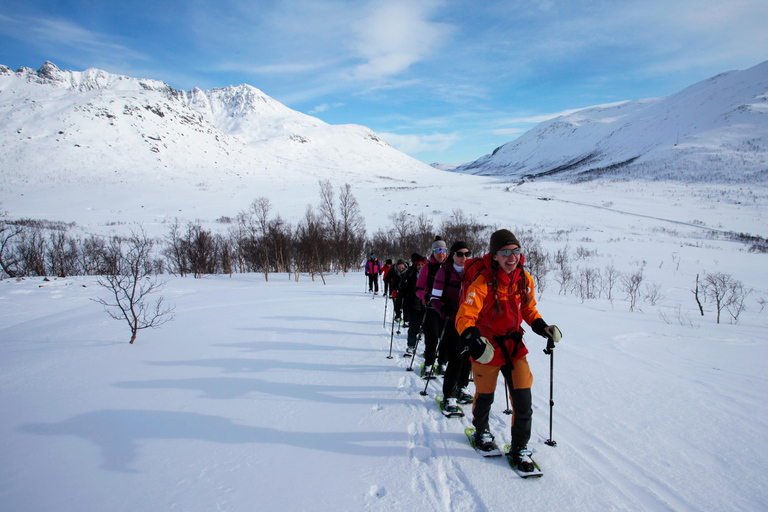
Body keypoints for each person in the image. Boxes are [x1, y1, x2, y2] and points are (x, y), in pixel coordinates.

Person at [456, 229, 562, 474]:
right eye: (505, 252)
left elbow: (529, 310)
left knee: (523, 401)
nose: (511, 257)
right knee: (485, 396)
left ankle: (520, 448)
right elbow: (465, 315)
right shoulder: (482, 281)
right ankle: (482, 432)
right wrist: (472, 338)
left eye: (515, 251)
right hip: (488, 349)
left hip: (514, 348)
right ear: (494, 256)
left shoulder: (524, 279)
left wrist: (542, 327)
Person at [430, 241, 474, 412]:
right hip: (450, 321)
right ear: (453, 255)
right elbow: (434, 299)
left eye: (467, 254)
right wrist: (443, 309)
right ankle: (449, 395)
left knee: (468, 357)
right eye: (460, 254)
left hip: (470, 322)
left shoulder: (473, 272)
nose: (464, 257)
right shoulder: (444, 273)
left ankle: (462, 388)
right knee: (456, 358)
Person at [416, 237, 449, 376]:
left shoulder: (451, 266)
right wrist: (426, 296)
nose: (441, 253)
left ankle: (442, 363)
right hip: (431, 308)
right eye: (437, 250)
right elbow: (418, 289)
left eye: (443, 250)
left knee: (446, 337)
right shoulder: (427, 268)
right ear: (433, 252)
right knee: (433, 337)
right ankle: (429, 365)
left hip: (447, 308)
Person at [399, 253, 427, 354]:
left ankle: (428, 350)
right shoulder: (411, 274)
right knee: (413, 327)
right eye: (418, 265)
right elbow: (402, 285)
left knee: (428, 330)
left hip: (426, 306)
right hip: (413, 305)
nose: (420, 267)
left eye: (422, 265)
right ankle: (411, 346)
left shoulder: (429, 275)